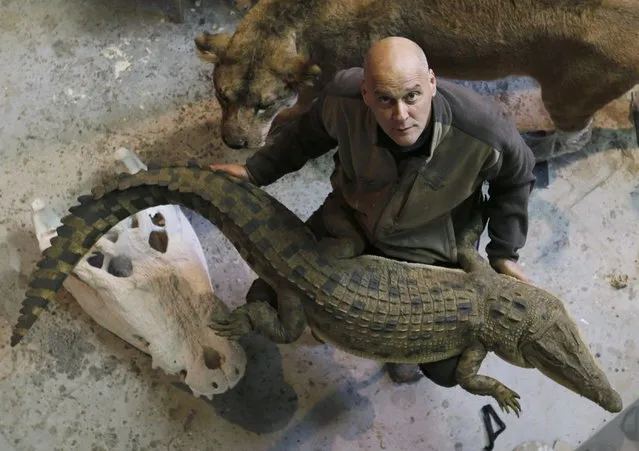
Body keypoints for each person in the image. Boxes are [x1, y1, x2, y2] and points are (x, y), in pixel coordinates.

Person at [211, 36, 536, 385]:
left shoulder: (484, 129)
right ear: (365, 93)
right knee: (267, 298)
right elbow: (304, 136)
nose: (400, 115)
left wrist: (504, 252)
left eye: (412, 96)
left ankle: (394, 350)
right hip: (350, 220)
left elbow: (517, 179)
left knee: (446, 369)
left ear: (431, 82)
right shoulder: (341, 100)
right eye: (385, 99)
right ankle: (333, 327)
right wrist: (255, 171)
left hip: (428, 248)